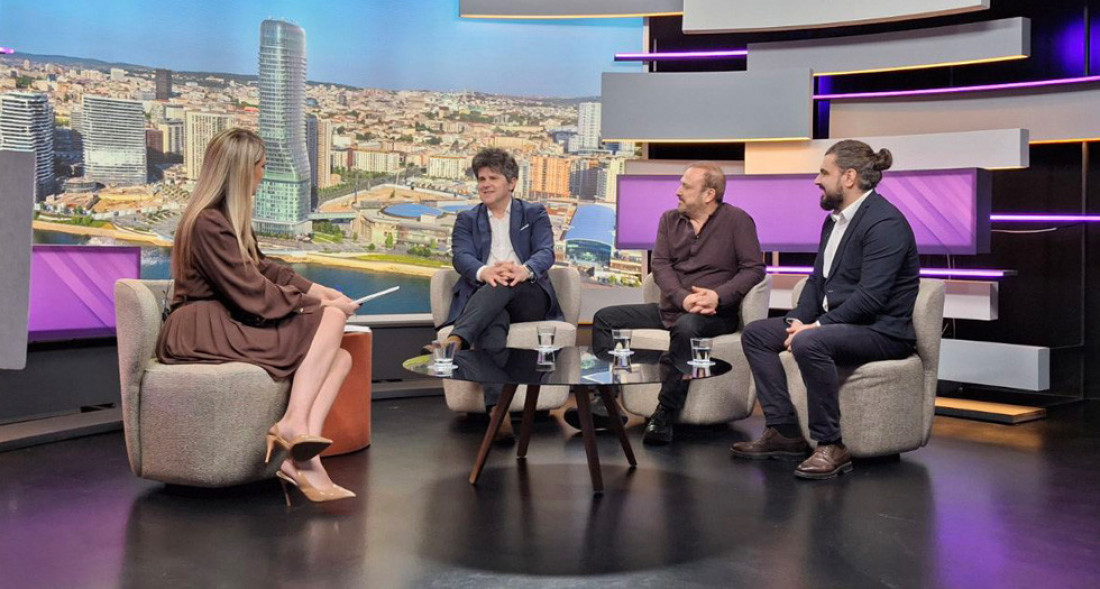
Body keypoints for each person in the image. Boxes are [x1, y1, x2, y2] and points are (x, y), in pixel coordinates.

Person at [156, 128, 360, 502]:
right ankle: (293, 425)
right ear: (241, 171)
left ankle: (302, 457)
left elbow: (263, 268)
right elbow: (250, 291)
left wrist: (321, 292)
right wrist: (315, 306)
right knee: (331, 319)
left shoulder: (224, 220)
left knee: (342, 358)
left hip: (221, 321)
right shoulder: (207, 223)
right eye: (261, 167)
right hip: (199, 327)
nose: (263, 175)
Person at [735, 140, 920, 480]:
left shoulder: (885, 223)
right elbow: (817, 282)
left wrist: (816, 327)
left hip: (882, 331)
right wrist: (798, 320)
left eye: (823, 172)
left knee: (809, 342)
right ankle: (785, 431)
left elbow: (871, 298)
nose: (816, 180)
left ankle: (831, 444)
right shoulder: (833, 222)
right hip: (840, 324)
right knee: (757, 334)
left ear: (849, 177)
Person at [582, 162, 765, 445]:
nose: (677, 191)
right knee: (606, 320)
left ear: (709, 194)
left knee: (686, 327)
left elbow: (753, 269)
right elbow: (660, 265)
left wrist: (717, 296)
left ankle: (664, 412)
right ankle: (605, 405)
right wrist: (683, 298)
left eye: (686, 187)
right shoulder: (669, 219)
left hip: (714, 314)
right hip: (671, 308)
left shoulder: (737, 221)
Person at [438, 148, 561, 437]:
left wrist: (523, 270)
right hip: (488, 297)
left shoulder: (534, 213)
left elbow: (545, 252)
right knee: (493, 322)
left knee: (504, 283)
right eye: (481, 179)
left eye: (493, 178)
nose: (485, 184)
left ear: (512, 182)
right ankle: (498, 412)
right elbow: (461, 257)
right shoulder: (467, 219)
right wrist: (485, 272)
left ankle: (458, 338)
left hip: (528, 295)